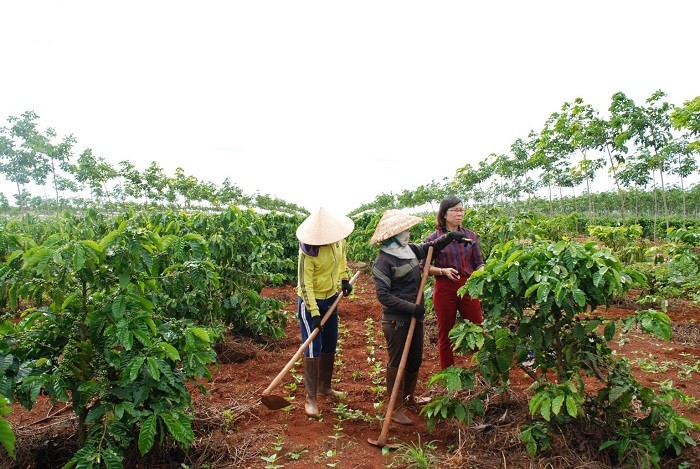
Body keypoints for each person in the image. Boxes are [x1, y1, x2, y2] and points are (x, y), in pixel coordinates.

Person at [370, 209, 470, 425]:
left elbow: (429, 249)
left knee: (415, 359)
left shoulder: (408, 250)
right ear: (393, 235)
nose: (408, 233)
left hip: (415, 315)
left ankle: (409, 398)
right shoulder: (383, 261)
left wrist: (449, 238)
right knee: (398, 362)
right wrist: (410, 307)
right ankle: (394, 408)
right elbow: (383, 296)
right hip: (397, 319)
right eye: (404, 231)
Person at [296, 207, 355, 418]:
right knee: (313, 347)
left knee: (330, 342)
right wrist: (314, 313)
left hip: (331, 298)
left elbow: (342, 260)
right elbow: (305, 285)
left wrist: (345, 278)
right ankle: (311, 398)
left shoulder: (338, 241)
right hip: (310, 301)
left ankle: (325, 386)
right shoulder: (308, 252)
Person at [423, 195, 484, 370]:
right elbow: (424, 267)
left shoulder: (470, 236)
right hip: (444, 288)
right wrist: (443, 271)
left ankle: (480, 371)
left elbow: (479, 262)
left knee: (477, 328)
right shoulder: (434, 238)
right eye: (455, 210)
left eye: (461, 210)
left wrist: (479, 275)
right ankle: (448, 373)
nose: (459, 214)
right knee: (446, 333)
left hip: (467, 287)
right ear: (444, 213)